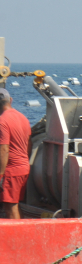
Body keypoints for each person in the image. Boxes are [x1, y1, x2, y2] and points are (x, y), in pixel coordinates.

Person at [0, 88, 32, 219]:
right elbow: (30, 144)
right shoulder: (23, 118)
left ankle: (18, 233)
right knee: (16, 205)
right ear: (10, 100)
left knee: (10, 207)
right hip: (23, 167)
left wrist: (1, 175)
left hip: (11, 170)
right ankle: (23, 230)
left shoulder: (2, 121)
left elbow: (3, 150)